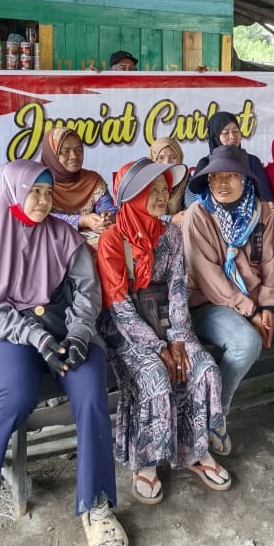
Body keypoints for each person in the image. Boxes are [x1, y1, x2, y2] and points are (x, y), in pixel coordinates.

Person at [0, 160, 126, 546]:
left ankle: (96, 503)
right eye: (33, 192)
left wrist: (78, 335)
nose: (42, 200)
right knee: (17, 393)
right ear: (12, 193)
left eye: (47, 192)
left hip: (68, 332)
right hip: (13, 336)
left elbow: (88, 292)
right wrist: (38, 338)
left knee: (91, 395)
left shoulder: (66, 238)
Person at [96, 157, 230, 502]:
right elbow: (118, 305)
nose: (161, 196)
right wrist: (157, 347)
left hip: (168, 322)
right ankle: (146, 461)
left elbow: (178, 289)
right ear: (133, 195)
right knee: (155, 373)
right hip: (126, 328)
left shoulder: (170, 234)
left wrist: (179, 339)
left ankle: (195, 450)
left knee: (203, 367)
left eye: (164, 189)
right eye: (151, 190)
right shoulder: (112, 239)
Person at [183, 146, 274, 449]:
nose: (222, 182)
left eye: (231, 176)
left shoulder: (259, 211)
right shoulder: (198, 215)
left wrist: (269, 306)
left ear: (244, 179)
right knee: (246, 343)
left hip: (259, 297)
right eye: (216, 176)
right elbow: (208, 277)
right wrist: (251, 311)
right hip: (210, 303)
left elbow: (273, 262)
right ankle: (217, 414)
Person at [184, 111, 274, 218]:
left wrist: (270, 207)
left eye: (236, 131)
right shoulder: (206, 164)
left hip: (251, 219)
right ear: (215, 136)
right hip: (213, 220)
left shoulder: (252, 161)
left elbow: (265, 196)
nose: (232, 136)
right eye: (225, 133)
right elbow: (197, 199)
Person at [39, 127, 115, 235]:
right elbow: (41, 217)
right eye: (65, 151)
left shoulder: (92, 179)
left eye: (78, 149)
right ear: (51, 155)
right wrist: (82, 221)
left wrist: (107, 216)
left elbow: (106, 206)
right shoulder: (39, 183)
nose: (74, 156)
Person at [148, 136, 188, 224]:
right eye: (161, 158)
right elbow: (146, 211)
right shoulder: (146, 180)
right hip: (154, 226)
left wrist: (187, 214)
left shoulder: (186, 178)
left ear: (179, 159)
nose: (166, 163)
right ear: (153, 159)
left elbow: (192, 204)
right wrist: (170, 219)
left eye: (173, 157)